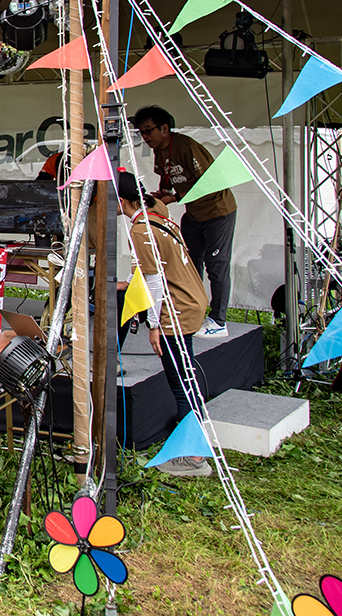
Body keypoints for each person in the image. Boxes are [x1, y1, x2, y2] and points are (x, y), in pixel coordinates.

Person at [116, 172, 213, 477]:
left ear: (120, 202)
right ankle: (192, 445)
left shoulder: (141, 230)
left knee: (181, 383)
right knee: (186, 376)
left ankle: (193, 457)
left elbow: (153, 281)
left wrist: (154, 324)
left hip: (176, 309)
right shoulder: (157, 213)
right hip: (191, 299)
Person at [132, 106, 236, 338]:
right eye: (141, 132)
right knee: (188, 262)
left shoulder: (187, 147)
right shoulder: (160, 149)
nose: (145, 137)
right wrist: (161, 194)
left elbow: (210, 181)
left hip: (217, 210)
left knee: (217, 265)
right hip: (194, 213)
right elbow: (167, 178)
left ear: (165, 128)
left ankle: (219, 320)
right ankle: (191, 312)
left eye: (148, 131)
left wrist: (174, 197)